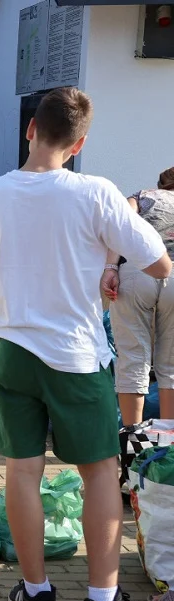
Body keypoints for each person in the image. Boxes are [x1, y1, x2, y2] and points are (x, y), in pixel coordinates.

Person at [0, 87, 170, 601]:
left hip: (10, 352)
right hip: (75, 355)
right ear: (81, 143)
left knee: (22, 471)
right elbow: (158, 264)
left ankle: (36, 595)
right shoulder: (96, 193)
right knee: (100, 475)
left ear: (30, 130)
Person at [103, 167, 174, 428]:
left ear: (161, 185)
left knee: (133, 359)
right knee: (171, 366)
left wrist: (111, 268)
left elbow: (119, 223)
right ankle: (169, 447)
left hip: (138, 271)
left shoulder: (144, 196)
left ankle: (130, 440)